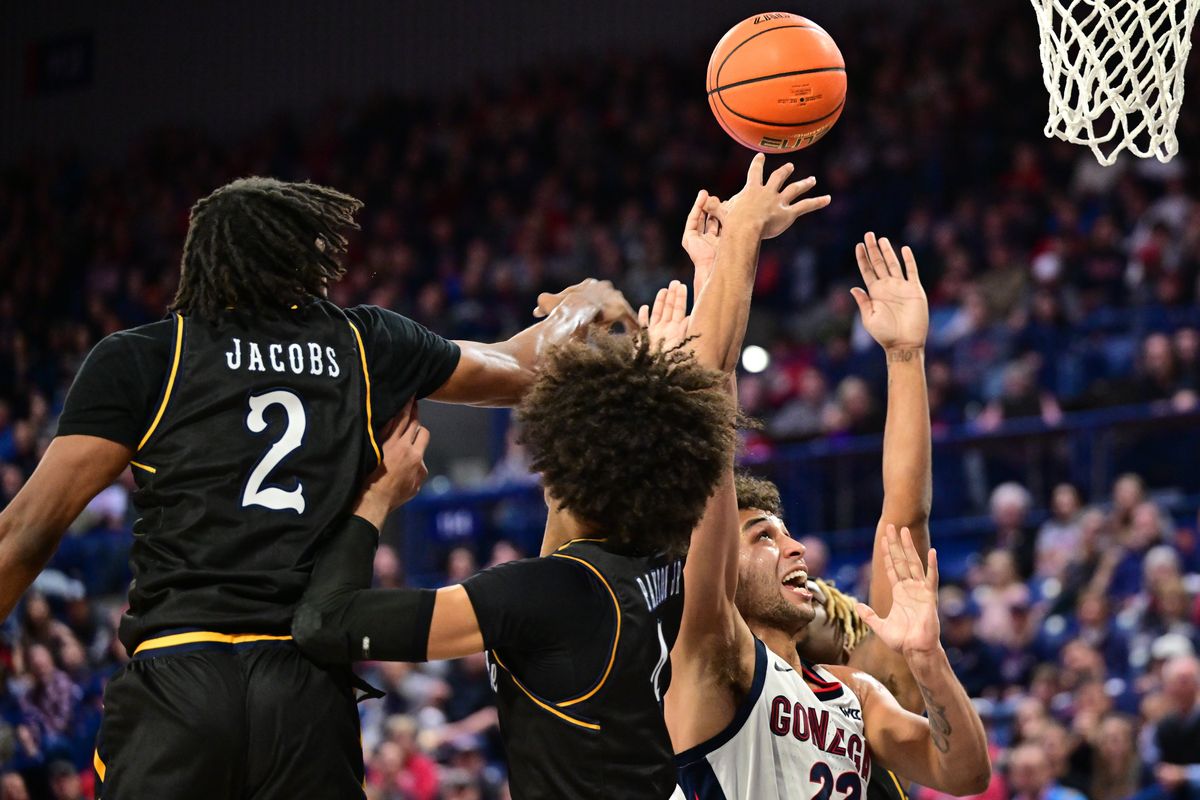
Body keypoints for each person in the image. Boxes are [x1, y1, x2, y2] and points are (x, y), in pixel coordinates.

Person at [0, 177, 636, 799]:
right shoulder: (364, 345)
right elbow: (521, 367)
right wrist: (585, 304)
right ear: (308, 257)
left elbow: (26, 532)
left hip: (178, 677)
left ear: (202, 261)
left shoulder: (143, 357)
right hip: (304, 685)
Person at [290, 154, 830, 798]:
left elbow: (325, 624)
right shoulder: (658, 566)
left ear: (567, 467)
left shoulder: (543, 595)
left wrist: (376, 501)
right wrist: (720, 262)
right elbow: (708, 396)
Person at [666, 234, 991, 800]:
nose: (798, 551)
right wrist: (719, 275)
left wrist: (906, 356)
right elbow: (712, 440)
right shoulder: (714, 662)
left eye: (788, 534)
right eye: (763, 536)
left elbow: (967, 776)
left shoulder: (856, 693)